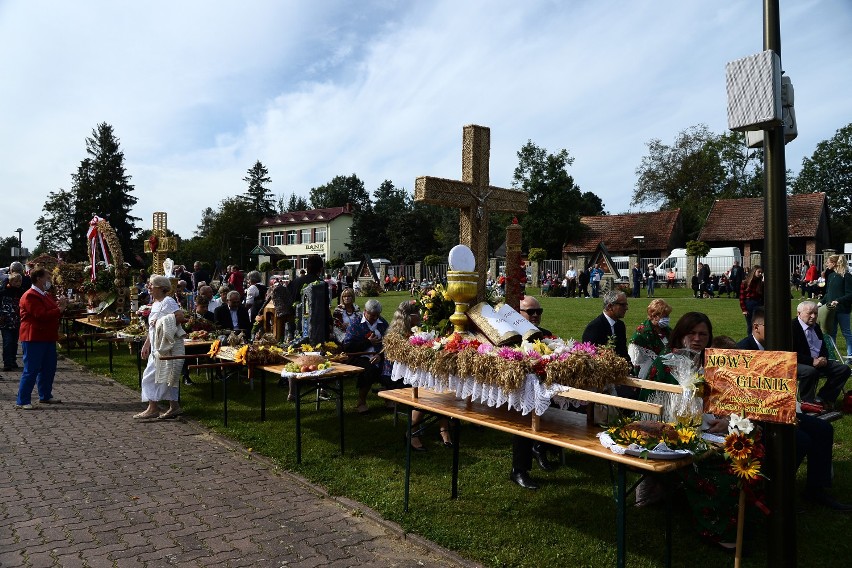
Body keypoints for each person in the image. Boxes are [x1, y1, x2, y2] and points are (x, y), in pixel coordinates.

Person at [737, 307, 851, 511]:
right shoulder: (743, 350)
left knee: (823, 430)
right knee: (801, 439)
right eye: (772, 327)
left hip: (780, 410)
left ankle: (815, 489)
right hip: (753, 418)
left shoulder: (776, 347)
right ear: (756, 327)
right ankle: (775, 491)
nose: (779, 331)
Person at [510, 295, 558, 490]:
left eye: (539, 311)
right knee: (524, 415)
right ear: (518, 314)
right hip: (516, 392)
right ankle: (518, 470)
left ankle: (539, 448)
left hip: (541, 387)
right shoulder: (511, 337)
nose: (536, 315)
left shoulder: (545, 335)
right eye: (531, 312)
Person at [14, 268, 68, 409]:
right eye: (47, 277)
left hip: (47, 336)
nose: (48, 280)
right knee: (31, 369)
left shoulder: (45, 295)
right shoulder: (30, 296)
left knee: (48, 368)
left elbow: (52, 312)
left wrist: (60, 307)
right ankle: (23, 400)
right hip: (34, 337)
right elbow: (41, 315)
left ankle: (45, 395)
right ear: (38, 278)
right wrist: (59, 309)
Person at [134, 276, 186, 419]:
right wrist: (146, 344)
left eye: (151, 285)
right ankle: (174, 407)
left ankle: (153, 408)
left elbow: (180, 316)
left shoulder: (168, 301)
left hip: (167, 347)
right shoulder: (155, 303)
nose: (148, 287)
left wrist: (163, 321)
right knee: (166, 377)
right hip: (157, 347)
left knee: (149, 377)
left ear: (161, 287)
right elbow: (152, 328)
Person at [790, 300, 851, 408]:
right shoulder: (791, 328)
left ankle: (824, 398)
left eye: (816, 313)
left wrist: (823, 358)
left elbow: (822, 346)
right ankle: (807, 403)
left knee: (844, 369)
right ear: (798, 313)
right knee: (810, 371)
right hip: (797, 362)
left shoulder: (816, 327)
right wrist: (812, 361)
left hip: (818, 361)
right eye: (810, 313)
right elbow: (791, 353)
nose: (813, 316)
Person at [343, 299, 389, 414]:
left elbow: (390, 344)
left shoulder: (383, 323)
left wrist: (380, 355)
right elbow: (348, 347)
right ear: (365, 311)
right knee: (369, 369)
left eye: (377, 315)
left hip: (378, 355)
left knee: (390, 366)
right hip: (359, 356)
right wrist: (368, 342)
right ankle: (361, 401)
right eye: (372, 315)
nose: (375, 318)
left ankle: (389, 397)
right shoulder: (355, 324)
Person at [289, 255, 332, 345]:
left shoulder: (294, 282)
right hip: (316, 328)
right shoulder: (321, 284)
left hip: (296, 324)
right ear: (320, 269)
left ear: (307, 267)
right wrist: (329, 324)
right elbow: (325, 308)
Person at [627, 299, 672, 380]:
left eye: (667, 316)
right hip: (647, 374)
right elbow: (635, 361)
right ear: (654, 316)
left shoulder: (667, 330)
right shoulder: (642, 334)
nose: (667, 319)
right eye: (664, 316)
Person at [818, 254, 852, 358]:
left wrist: (838, 301)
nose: (826, 264)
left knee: (846, 333)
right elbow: (828, 293)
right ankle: (832, 357)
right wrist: (821, 302)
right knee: (831, 333)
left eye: (828, 262)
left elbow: (850, 294)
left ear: (834, 263)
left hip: (843, 310)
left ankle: (850, 356)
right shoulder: (831, 276)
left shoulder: (846, 276)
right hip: (830, 310)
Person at [1, 272, 24, 372]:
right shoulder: (3, 292)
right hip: (5, 321)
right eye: (15, 281)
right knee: (7, 342)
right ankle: (7, 363)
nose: (18, 283)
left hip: (16, 321)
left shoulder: (21, 292)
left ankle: (13, 360)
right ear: (10, 281)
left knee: (14, 342)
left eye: (19, 281)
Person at [739, 265, 764, 335]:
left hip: (758, 303)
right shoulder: (745, 283)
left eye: (761, 272)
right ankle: (750, 338)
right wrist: (744, 309)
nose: (760, 274)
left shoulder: (761, 283)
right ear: (754, 272)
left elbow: (763, 296)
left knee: (758, 322)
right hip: (749, 303)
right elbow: (741, 297)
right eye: (758, 272)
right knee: (750, 324)